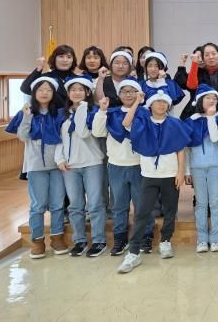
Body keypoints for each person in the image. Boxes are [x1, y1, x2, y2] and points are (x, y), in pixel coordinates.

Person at [117, 89, 191, 273]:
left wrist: (180, 171)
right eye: (157, 102)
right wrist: (137, 102)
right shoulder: (142, 121)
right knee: (142, 212)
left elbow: (180, 149)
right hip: (149, 175)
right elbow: (125, 123)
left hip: (170, 174)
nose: (161, 105)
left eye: (164, 102)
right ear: (150, 105)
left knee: (170, 210)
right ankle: (134, 252)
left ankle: (165, 241)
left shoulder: (174, 123)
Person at [6, 77, 68, 259]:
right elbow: (23, 136)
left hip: (57, 165)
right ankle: (38, 240)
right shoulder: (26, 112)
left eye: (48, 89)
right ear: (34, 93)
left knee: (57, 204)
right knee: (38, 205)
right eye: (40, 89)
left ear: (53, 93)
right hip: (35, 165)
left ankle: (57, 238)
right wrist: (27, 117)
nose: (44, 92)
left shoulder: (60, 113)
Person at [92, 77, 154, 256]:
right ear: (118, 94)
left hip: (139, 165)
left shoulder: (144, 113)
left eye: (132, 91)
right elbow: (98, 132)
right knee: (119, 205)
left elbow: (132, 129)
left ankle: (145, 236)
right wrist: (102, 111)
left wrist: (137, 105)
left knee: (142, 204)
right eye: (124, 91)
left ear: (139, 94)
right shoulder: (111, 113)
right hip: (116, 165)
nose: (128, 95)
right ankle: (120, 238)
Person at [55, 75, 107, 257]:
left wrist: (82, 109)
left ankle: (99, 240)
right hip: (70, 166)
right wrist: (59, 158)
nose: (76, 93)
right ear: (68, 93)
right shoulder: (62, 114)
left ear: (87, 92)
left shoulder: (93, 111)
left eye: (80, 89)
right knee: (75, 205)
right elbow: (58, 139)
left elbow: (83, 132)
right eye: (73, 90)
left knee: (95, 203)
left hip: (92, 163)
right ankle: (79, 240)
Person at [184, 84, 218, 253]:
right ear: (200, 100)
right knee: (201, 203)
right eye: (208, 98)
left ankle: (215, 237)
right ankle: (202, 238)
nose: (211, 100)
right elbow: (187, 148)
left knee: (216, 202)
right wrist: (187, 170)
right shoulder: (191, 120)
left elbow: (216, 138)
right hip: (197, 166)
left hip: (217, 165)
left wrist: (210, 117)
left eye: (214, 98)